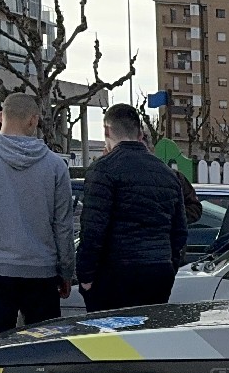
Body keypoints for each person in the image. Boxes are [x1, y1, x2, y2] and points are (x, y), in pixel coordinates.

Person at [0, 92, 74, 342]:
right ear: (34, 120)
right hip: (41, 272)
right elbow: (62, 225)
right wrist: (65, 270)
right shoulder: (55, 165)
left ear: (1, 117)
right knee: (42, 352)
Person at [75, 103, 187, 313]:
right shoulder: (167, 174)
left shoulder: (103, 169)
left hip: (115, 272)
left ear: (107, 131)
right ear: (140, 133)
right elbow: (179, 231)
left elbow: (92, 230)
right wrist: (168, 265)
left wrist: (86, 276)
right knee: (149, 331)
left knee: (110, 332)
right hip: (158, 271)